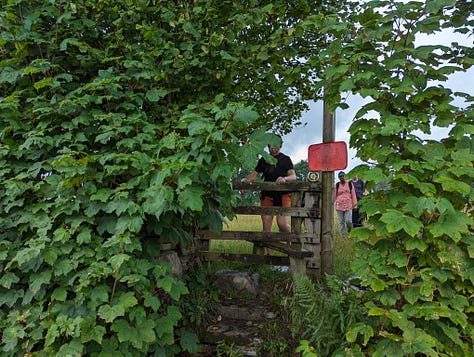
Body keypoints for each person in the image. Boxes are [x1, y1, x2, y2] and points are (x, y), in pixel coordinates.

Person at [245, 136, 296, 236]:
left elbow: (293, 176)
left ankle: (290, 243)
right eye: (270, 146)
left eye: (275, 146)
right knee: (266, 226)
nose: (272, 149)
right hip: (267, 195)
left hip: (283, 195)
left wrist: (284, 179)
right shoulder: (263, 160)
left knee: (282, 223)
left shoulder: (285, 159)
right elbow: (254, 175)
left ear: (280, 146)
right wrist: (244, 184)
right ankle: (269, 252)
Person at [334, 171, 357, 238]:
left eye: (343, 176)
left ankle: (350, 232)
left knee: (348, 221)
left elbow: (353, 195)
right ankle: (343, 237)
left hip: (348, 205)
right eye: (340, 176)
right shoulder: (337, 185)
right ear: (338, 178)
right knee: (341, 222)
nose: (341, 177)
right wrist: (331, 204)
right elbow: (334, 196)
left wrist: (355, 205)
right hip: (339, 206)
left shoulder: (350, 184)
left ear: (345, 176)